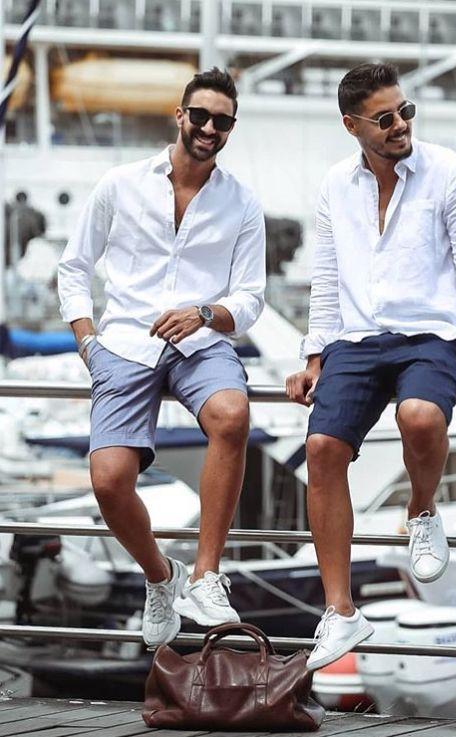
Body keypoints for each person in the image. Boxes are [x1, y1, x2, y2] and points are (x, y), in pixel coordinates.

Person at [286, 63, 456, 670]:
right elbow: (326, 277)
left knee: (420, 417)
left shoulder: (455, 176)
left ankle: (423, 510)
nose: (400, 125)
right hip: (356, 338)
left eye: (405, 111)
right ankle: (340, 613)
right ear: (351, 125)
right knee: (322, 448)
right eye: (384, 118)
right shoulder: (335, 185)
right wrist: (313, 355)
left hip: (431, 334)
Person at [57, 68, 266, 648]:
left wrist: (204, 314)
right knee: (109, 482)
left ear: (231, 128)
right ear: (180, 115)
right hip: (124, 342)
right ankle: (160, 576)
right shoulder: (120, 184)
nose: (209, 128)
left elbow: (251, 298)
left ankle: (204, 575)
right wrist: (87, 340)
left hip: (201, 344)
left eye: (222, 121)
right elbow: (74, 267)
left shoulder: (242, 203)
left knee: (232, 415)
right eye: (200, 116)